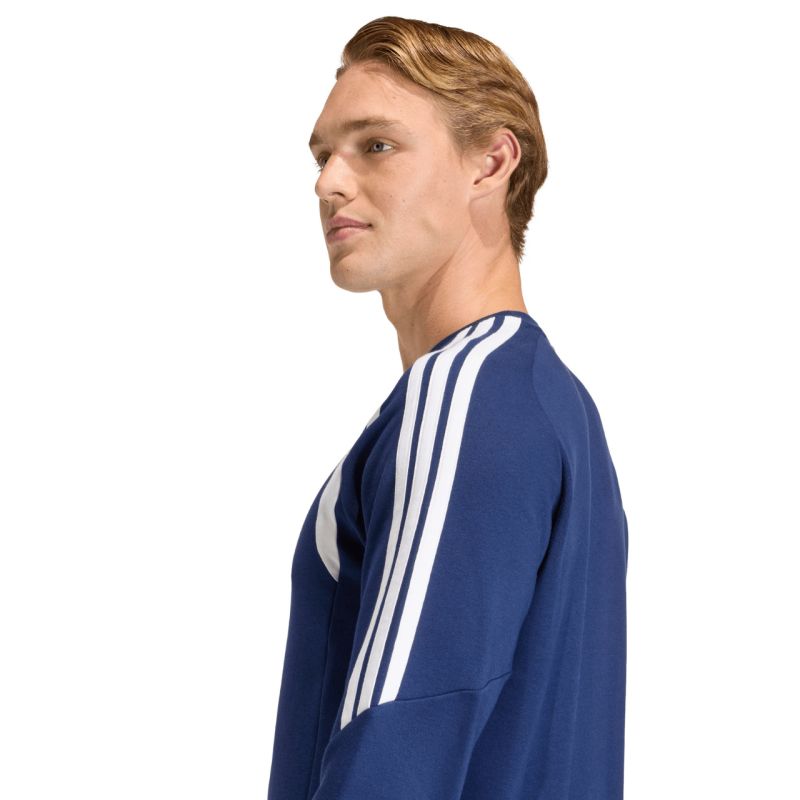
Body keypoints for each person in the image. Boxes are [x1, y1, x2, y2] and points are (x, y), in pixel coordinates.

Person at [267, 15, 629, 800]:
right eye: (323, 155)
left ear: (490, 163)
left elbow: (399, 737)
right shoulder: (547, 402)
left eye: (376, 145)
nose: (328, 182)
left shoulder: (464, 399)